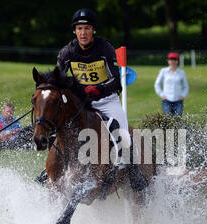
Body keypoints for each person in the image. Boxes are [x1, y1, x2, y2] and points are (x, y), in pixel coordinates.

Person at [37, 8, 148, 191]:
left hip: (106, 100)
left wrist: (99, 88)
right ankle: (49, 171)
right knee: (59, 128)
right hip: (81, 102)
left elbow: (116, 81)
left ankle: (133, 171)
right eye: (79, 29)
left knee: (123, 134)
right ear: (75, 31)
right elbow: (57, 78)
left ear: (93, 30)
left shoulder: (105, 48)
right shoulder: (67, 52)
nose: (83, 33)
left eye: (87, 28)